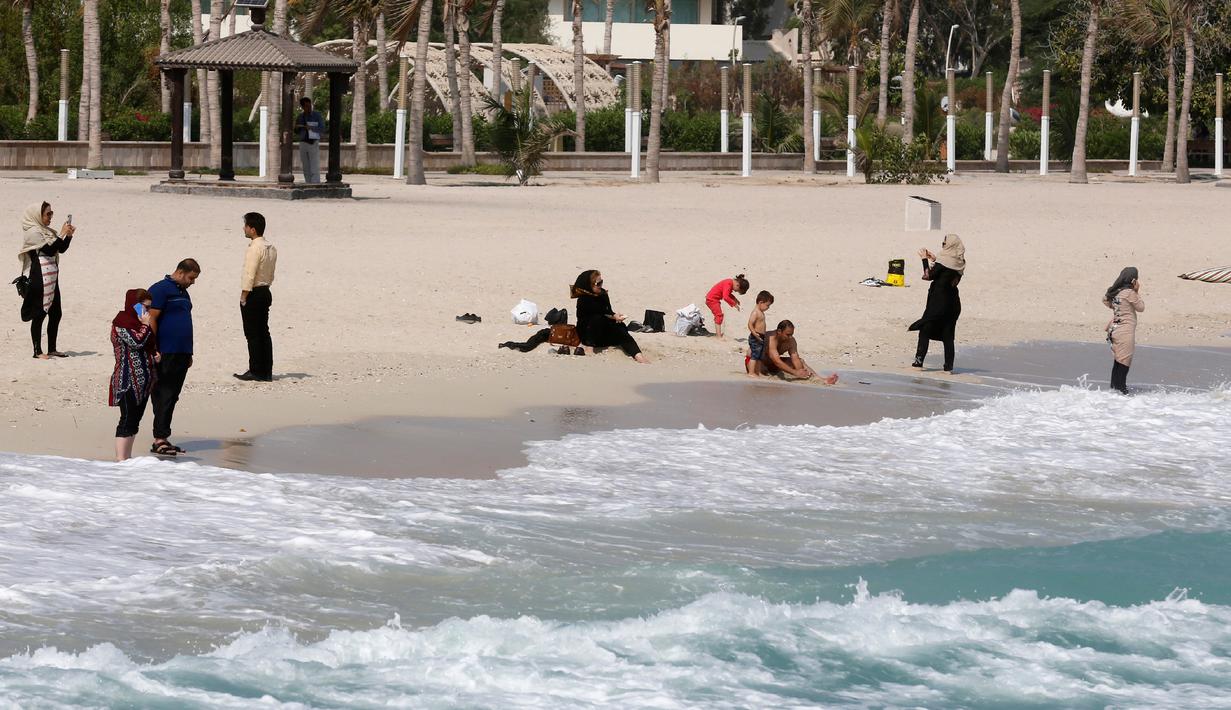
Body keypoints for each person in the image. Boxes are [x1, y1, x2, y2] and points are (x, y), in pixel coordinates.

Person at [148, 259, 201, 457]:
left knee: (173, 395)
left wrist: (189, 352)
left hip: (182, 352)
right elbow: (151, 317)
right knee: (164, 393)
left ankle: (163, 437)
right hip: (166, 351)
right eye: (191, 278)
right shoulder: (160, 289)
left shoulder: (183, 292)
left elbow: (184, 322)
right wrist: (153, 347)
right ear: (180, 272)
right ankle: (159, 438)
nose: (193, 282)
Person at [18, 202, 76, 359]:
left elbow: (59, 249)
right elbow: (48, 250)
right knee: (40, 313)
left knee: (56, 313)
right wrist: (61, 234)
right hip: (39, 278)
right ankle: (37, 351)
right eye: (48, 214)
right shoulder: (33, 232)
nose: (51, 217)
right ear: (38, 215)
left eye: (52, 213)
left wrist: (68, 237)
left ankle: (52, 348)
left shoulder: (47, 231)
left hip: (52, 277)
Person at [109, 288, 158, 461]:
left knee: (135, 420)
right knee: (127, 419)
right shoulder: (121, 323)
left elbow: (147, 344)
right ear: (134, 306)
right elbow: (136, 341)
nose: (147, 311)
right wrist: (145, 324)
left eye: (149, 308)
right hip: (127, 379)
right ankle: (121, 459)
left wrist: (154, 354)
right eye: (144, 307)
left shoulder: (139, 324)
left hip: (144, 379)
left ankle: (127, 458)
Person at [909, 233, 965, 372]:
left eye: (944, 244)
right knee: (948, 334)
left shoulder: (943, 262)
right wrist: (934, 258)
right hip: (953, 303)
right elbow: (946, 269)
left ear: (949, 245)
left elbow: (927, 276)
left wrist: (923, 260)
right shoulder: (960, 262)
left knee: (925, 329)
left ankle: (918, 361)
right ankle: (948, 366)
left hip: (938, 301)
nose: (943, 245)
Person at [571, 269, 649, 364]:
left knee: (619, 326)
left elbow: (608, 312)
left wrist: (615, 316)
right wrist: (612, 316)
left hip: (603, 333)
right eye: (598, 283)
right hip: (587, 334)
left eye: (601, 282)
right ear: (589, 285)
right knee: (596, 319)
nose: (601, 286)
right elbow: (597, 312)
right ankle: (589, 349)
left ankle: (638, 356)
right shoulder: (583, 299)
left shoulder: (602, 294)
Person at [235, 212, 277, 382]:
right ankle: (266, 370)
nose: (244, 229)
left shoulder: (255, 248)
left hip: (254, 292)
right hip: (266, 291)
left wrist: (244, 295)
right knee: (264, 332)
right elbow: (271, 272)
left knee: (252, 334)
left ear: (252, 229)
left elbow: (249, 274)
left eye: (245, 226)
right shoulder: (271, 247)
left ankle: (256, 370)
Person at [1103, 267, 1144, 395]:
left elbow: (1105, 300)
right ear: (1133, 280)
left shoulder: (1116, 292)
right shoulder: (1129, 293)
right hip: (1125, 331)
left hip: (1114, 330)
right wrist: (1136, 291)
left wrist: (1118, 307)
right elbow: (1141, 307)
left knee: (1118, 361)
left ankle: (1114, 391)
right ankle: (1121, 391)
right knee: (1124, 362)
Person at [762, 320, 839, 384]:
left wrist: (801, 372)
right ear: (779, 331)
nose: (790, 337)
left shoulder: (791, 341)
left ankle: (821, 379)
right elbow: (776, 361)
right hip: (760, 363)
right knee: (762, 367)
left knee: (801, 361)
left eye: (791, 334)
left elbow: (795, 359)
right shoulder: (771, 338)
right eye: (788, 335)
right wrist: (794, 372)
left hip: (772, 365)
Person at [705, 274, 749, 339]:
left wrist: (735, 299)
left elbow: (728, 294)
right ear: (738, 285)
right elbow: (725, 297)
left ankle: (718, 334)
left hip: (713, 299)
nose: (735, 291)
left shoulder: (730, 282)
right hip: (712, 300)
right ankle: (718, 336)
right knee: (719, 315)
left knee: (719, 316)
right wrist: (734, 304)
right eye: (736, 290)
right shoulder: (728, 283)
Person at [295, 97, 325, 184]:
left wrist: (312, 128)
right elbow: (296, 131)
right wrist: (297, 127)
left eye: (310, 106)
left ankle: (315, 182)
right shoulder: (300, 117)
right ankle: (308, 182)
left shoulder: (317, 115)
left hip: (313, 142)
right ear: (302, 107)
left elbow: (322, 128)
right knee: (305, 165)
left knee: (314, 164)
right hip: (303, 142)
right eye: (306, 106)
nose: (309, 108)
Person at [745, 290, 773, 376]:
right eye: (767, 305)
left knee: (760, 356)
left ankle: (757, 372)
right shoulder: (755, 312)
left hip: (761, 336)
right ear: (761, 302)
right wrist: (754, 333)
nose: (768, 307)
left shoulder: (761, 312)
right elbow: (750, 324)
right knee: (755, 356)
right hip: (756, 336)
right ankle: (751, 372)